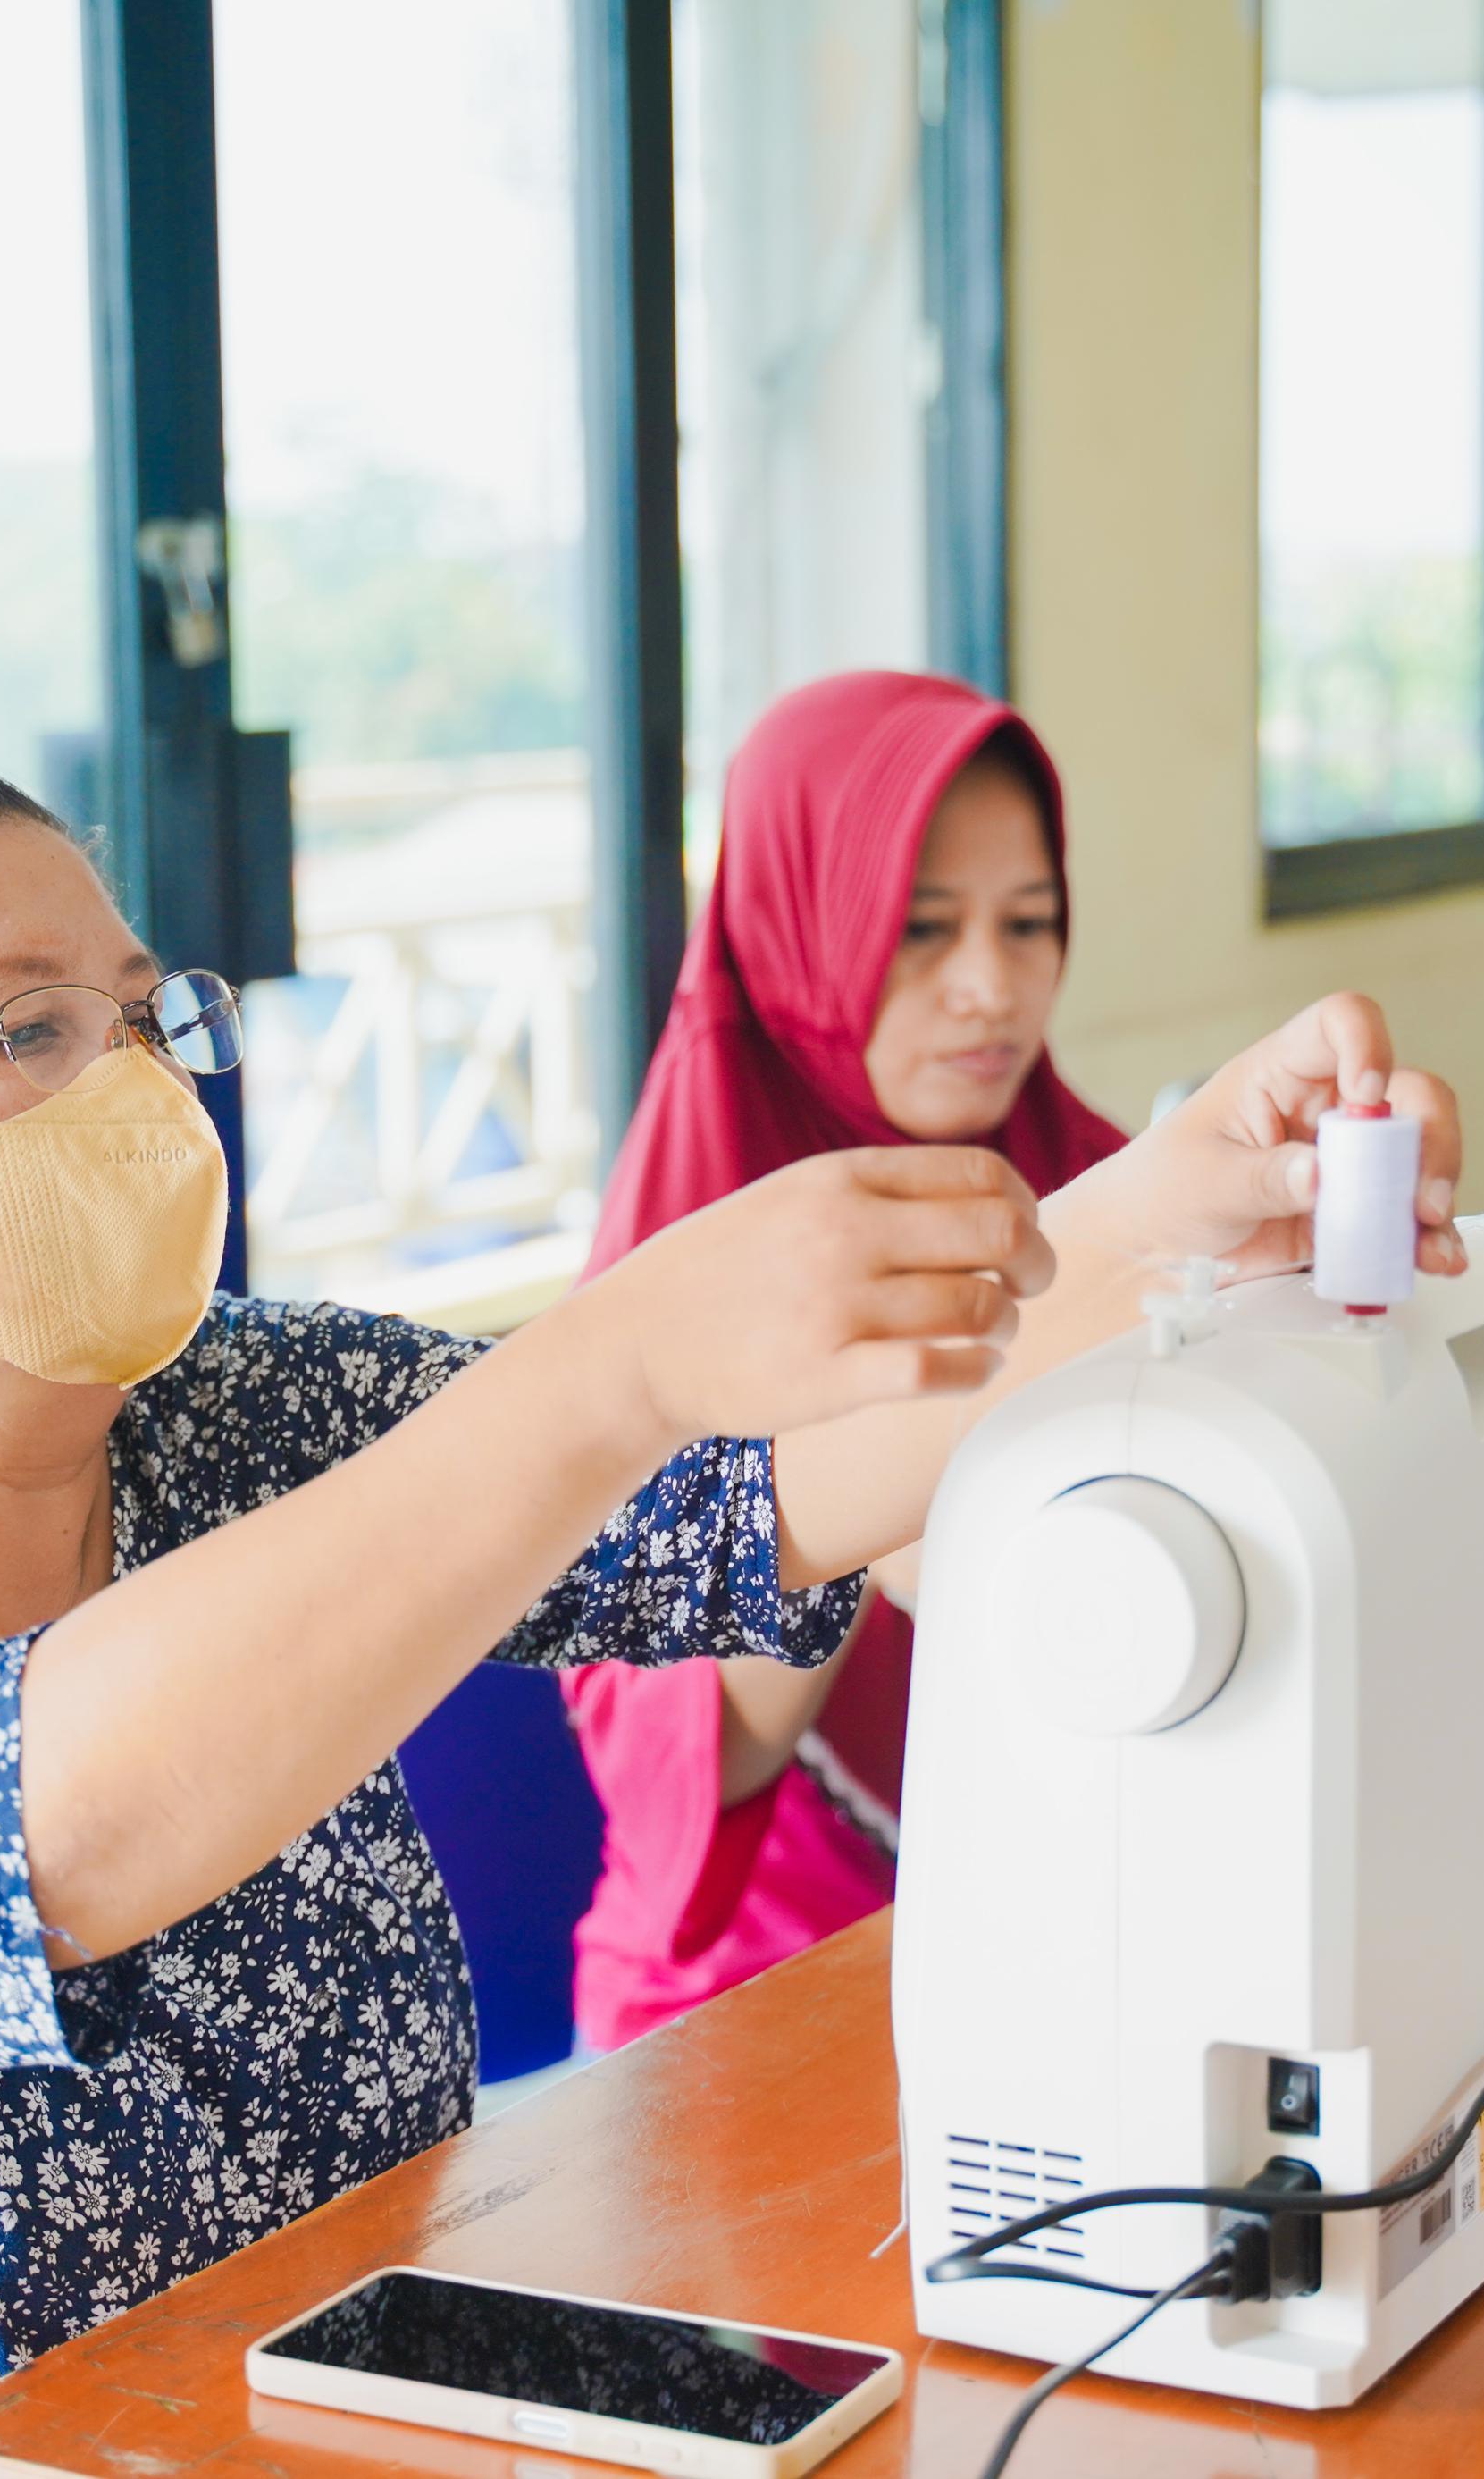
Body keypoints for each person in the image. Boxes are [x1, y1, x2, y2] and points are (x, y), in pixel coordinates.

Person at [0, 752, 1463, 2476]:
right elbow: (36, 1833)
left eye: (135, 1015)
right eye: (21, 1033)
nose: (131, 1086)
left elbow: (749, 1495)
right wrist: (604, 1364)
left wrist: (1188, 1211)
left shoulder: (218, 1416)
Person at [562, 672, 1141, 2052]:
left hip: (1076, 1954)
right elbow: (680, 1785)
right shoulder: (663, 1293)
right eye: (920, 929)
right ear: (798, 926)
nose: (991, 988)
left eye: (1031, 922)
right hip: (749, 2015)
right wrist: (872, 1482)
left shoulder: (1103, 1195)